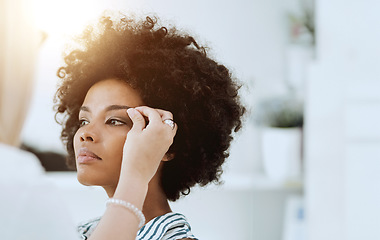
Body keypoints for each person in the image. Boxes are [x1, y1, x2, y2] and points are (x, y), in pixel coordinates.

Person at [54, 12, 245, 240]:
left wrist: (135, 177)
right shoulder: (83, 232)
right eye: (84, 120)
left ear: (168, 144)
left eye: (114, 120)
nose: (85, 134)